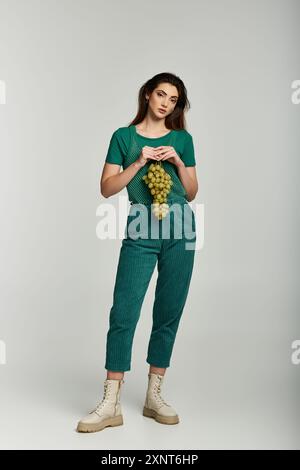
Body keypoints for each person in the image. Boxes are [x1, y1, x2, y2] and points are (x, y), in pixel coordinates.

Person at [76, 72, 198, 433]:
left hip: (182, 230)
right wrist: (139, 162)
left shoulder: (183, 139)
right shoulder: (123, 137)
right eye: (161, 94)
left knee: (169, 310)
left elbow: (191, 192)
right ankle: (111, 400)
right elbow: (106, 188)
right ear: (147, 95)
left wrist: (177, 161)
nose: (166, 103)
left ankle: (154, 394)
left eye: (173, 100)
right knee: (124, 310)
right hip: (140, 230)